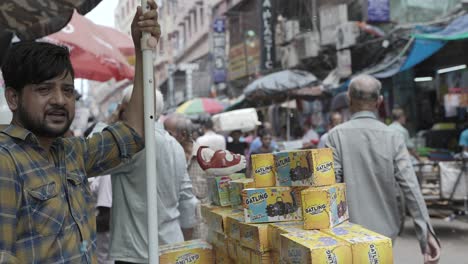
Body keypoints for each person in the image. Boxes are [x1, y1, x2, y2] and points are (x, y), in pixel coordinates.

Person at [0, 2, 159, 262]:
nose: (60, 100)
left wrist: (144, 51)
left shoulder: (72, 152)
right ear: (13, 98)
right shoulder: (6, 162)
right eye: (44, 89)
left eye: (67, 90)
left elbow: (135, 132)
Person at [326, 75, 440, 264]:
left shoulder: (335, 136)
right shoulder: (393, 137)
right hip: (385, 233)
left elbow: (331, 185)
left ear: (349, 99)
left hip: (346, 234)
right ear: (379, 102)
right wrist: (426, 233)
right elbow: (410, 186)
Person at [104, 89, 197, 263]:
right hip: (172, 246)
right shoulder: (175, 146)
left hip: (138, 253)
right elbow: (187, 202)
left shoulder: (133, 144)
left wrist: (114, 119)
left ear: (128, 108)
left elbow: (89, 160)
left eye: (122, 107)